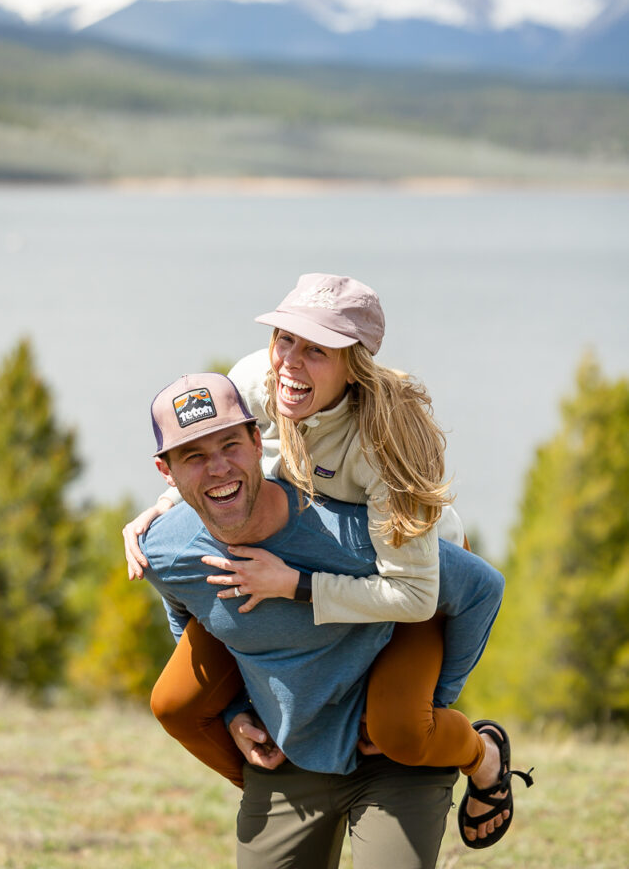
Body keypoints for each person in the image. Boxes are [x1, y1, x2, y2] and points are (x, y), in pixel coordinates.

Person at [125, 274, 530, 847]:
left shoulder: (386, 439)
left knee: (398, 728)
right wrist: (163, 508)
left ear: (354, 363)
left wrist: (432, 704)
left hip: (409, 573)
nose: (290, 361)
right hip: (293, 559)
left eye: (317, 349)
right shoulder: (255, 381)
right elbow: (214, 452)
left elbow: (418, 593)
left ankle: (482, 753)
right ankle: (284, 789)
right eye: (285, 338)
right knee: (175, 702)